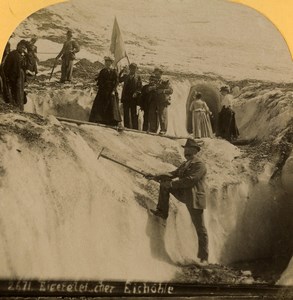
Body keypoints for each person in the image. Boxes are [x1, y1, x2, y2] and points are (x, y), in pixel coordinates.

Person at [148, 138, 209, 265]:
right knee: (164, 184)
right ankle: (162, 212)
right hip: (185, 194)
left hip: (195, 198)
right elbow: (173, 173)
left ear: (195, 150)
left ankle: (204, 257)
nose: (185, 151)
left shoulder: (199, 165)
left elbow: (190, 180)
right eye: (185, 149)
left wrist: (172, 184)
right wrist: (155, 175)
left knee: (200, 228)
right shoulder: (186, 163)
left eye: (188, 149)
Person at [89, 56, 122, 126]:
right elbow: (100, 80)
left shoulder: (114, 71)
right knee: (100, 104)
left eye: (109, 62)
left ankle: (111, 121)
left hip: (111, 91)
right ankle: (100, 120)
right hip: (103, 90)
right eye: (106, 62)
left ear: (111, 63)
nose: (107, 63)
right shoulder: (103, 71)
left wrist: (113, 90)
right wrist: (98, 83)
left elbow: (116, 82)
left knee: (111, 105)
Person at [146, 67, 173, 135]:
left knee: (162, 116)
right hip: (153, 100)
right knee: (152, 115)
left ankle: (163, 130)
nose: (156, 75)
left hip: (162, 101)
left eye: (157, 74)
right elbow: (147, 90)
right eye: (155, 74)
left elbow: (171, 90)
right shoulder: (152, 81)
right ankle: (153, 129)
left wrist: (162, 91)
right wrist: (150, 88)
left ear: (161, 74)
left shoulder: (165, 81)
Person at [3, 40, 27, 110]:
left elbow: (23, 68)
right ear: (18, 46)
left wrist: (25, 79)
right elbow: (8, 67)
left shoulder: (21, 55)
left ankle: (19, 107)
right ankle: (17, 107)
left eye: (24, 48)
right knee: (16, 92)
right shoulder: (13, 54)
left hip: (20, 77)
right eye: (21, 47)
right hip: (15, 77)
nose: (23, 49)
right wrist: (8, 77)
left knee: (20, 93)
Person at [119, 63, 142, 129]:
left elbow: (140, 87)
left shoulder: (138, 77)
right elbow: (119, 80)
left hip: (133, 98)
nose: (133, 70)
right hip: (126, 98)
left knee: (133, 114)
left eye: (134, 68)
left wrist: (136, 93)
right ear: (129, 69)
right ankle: (126, 127)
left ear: (136, 69)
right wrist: (121, 72)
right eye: (131, 68)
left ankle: (135, 128)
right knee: (126, 113)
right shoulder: (126, 76)